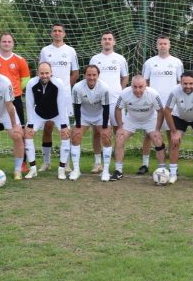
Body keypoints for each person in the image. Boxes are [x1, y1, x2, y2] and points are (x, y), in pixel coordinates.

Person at [0, 32, 30, 174]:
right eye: (4, 41)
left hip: (14, 100)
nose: (6, 44)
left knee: (19, 132)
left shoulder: (20, 60)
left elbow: (26, 79)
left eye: (9, 41)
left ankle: (23, 163)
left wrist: (14, 91)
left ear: (13, 43)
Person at [138, 35, 184, 175]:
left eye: (165, 43)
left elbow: (181, 83)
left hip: (171, 105)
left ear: (169, 45)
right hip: (153, 105)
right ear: (156, 46)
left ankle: (173, 165)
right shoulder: (150, 62)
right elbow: (144, 82)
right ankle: (144, 164)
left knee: (172, 134)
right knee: (149, 134)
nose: (163, 45)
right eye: (160, 43)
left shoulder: (176, 62)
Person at [37, 23, 79, 172]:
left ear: (64, 34)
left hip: (65, 97)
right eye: (54, 31)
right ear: (51, 33)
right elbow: (40, 71)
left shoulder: (70, 51)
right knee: (47, 127)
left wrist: (64, 87)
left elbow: (75, 73)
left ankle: (65, 163)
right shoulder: (45, 51)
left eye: (60, 31)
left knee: (65, 129)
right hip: (47, 96)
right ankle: (46, 162)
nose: (57, 33)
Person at [112, 75, 166, 181]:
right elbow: (118, 109)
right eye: (135, 87)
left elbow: (160, 111)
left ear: (146, 86)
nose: (137, 90)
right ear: (131, 85)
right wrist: (120, 127)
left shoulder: (153, 94)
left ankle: (162, 170)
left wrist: (157, 129)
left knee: (158, 140)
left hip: (150, 120)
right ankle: (118, 171)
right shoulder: (124, 93)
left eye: (141, 87)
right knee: (119, 138)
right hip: (131, 120)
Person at [22, 62, 71, 180]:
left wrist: (64, 125)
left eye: (47, 73)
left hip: (57, 114)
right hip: (39, 114)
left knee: (65, 134)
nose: (44, 75)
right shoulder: (31, 83)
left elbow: (62, 105)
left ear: (51, 73)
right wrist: (30, 124)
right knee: (27, 134)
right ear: (37, 73)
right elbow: (29, 104)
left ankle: (61, 169)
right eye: (42, 73)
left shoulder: (58, 83)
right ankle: (33, 169)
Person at [89, 32, 129, 173]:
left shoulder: (120, 59)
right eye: (104, 39)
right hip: (98, 102)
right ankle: (97, 163)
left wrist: (119, 91)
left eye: (109, 39)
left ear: (114, 42)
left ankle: (118, 164)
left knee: (119, 131)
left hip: (115, 101)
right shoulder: (95, 59)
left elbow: (125, 77)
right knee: (97, 132)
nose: (107, 41)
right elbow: (90, 77)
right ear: (101, 42)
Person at [70, 65, 113, 182]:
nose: (91, 77)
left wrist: (105, 127)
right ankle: (76, 170)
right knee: (75, 136)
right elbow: (77, 108)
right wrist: (78, 126)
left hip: (100, 116)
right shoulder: (77, 88)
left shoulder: (104, 88)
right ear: (84, 75)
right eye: (89, 75)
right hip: (84, 116)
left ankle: (105, 170)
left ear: (98, 76)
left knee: (106, 137)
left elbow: (106, 108)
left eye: (94, 75)